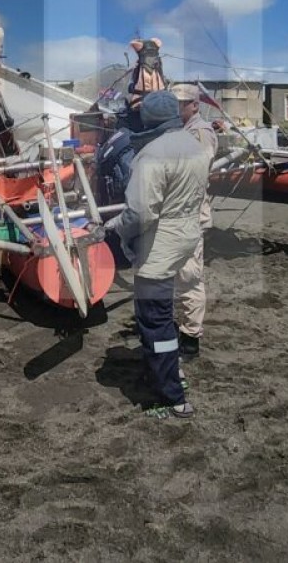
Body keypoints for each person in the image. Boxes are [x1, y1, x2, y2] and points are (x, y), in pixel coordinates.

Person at [105, 90, 209, 419]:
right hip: (188, 236)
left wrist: (116, 227)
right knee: (166, 311)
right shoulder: (194, 145)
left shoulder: (150, 155)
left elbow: (140, 214)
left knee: (155, 320)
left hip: (160, 248)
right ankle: (167, 369)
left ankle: (171, 394)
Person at [169, 83, 218, 359]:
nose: (177, 109)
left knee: (189, 277)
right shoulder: (183, 132)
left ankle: (190, 338)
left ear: (194, 105)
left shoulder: (200, 133)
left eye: (181, 104)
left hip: (188, 214)